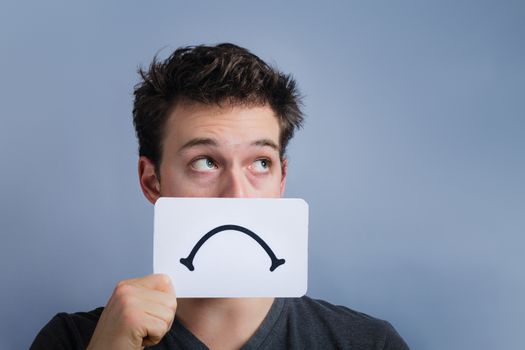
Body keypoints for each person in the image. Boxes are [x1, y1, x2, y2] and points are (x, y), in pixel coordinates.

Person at [31, 43, 409, 349]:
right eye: (206, 162)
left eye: (260, 163)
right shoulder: (73, 341)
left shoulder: (370, 343)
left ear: (281, 181)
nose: (236, 195)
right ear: (151, 181)